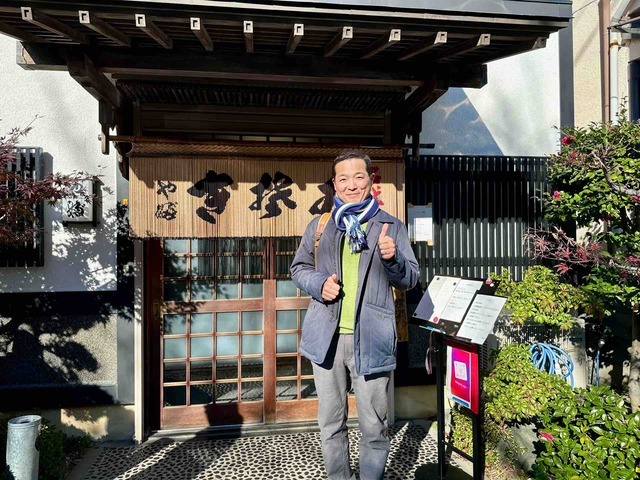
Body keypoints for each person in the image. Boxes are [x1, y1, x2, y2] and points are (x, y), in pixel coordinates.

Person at [290, 150, 419, 480]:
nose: (351, 185)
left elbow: (410, 280)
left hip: (372, 340)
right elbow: (298, 268)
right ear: (334, 184)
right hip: (327, 340)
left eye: (358, 177)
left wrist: (393, 259)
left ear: (371, 180)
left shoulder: (390, 226)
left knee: (374, 426)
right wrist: (319, 284)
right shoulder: (321, 226)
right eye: (343, 179)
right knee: (331, 423)